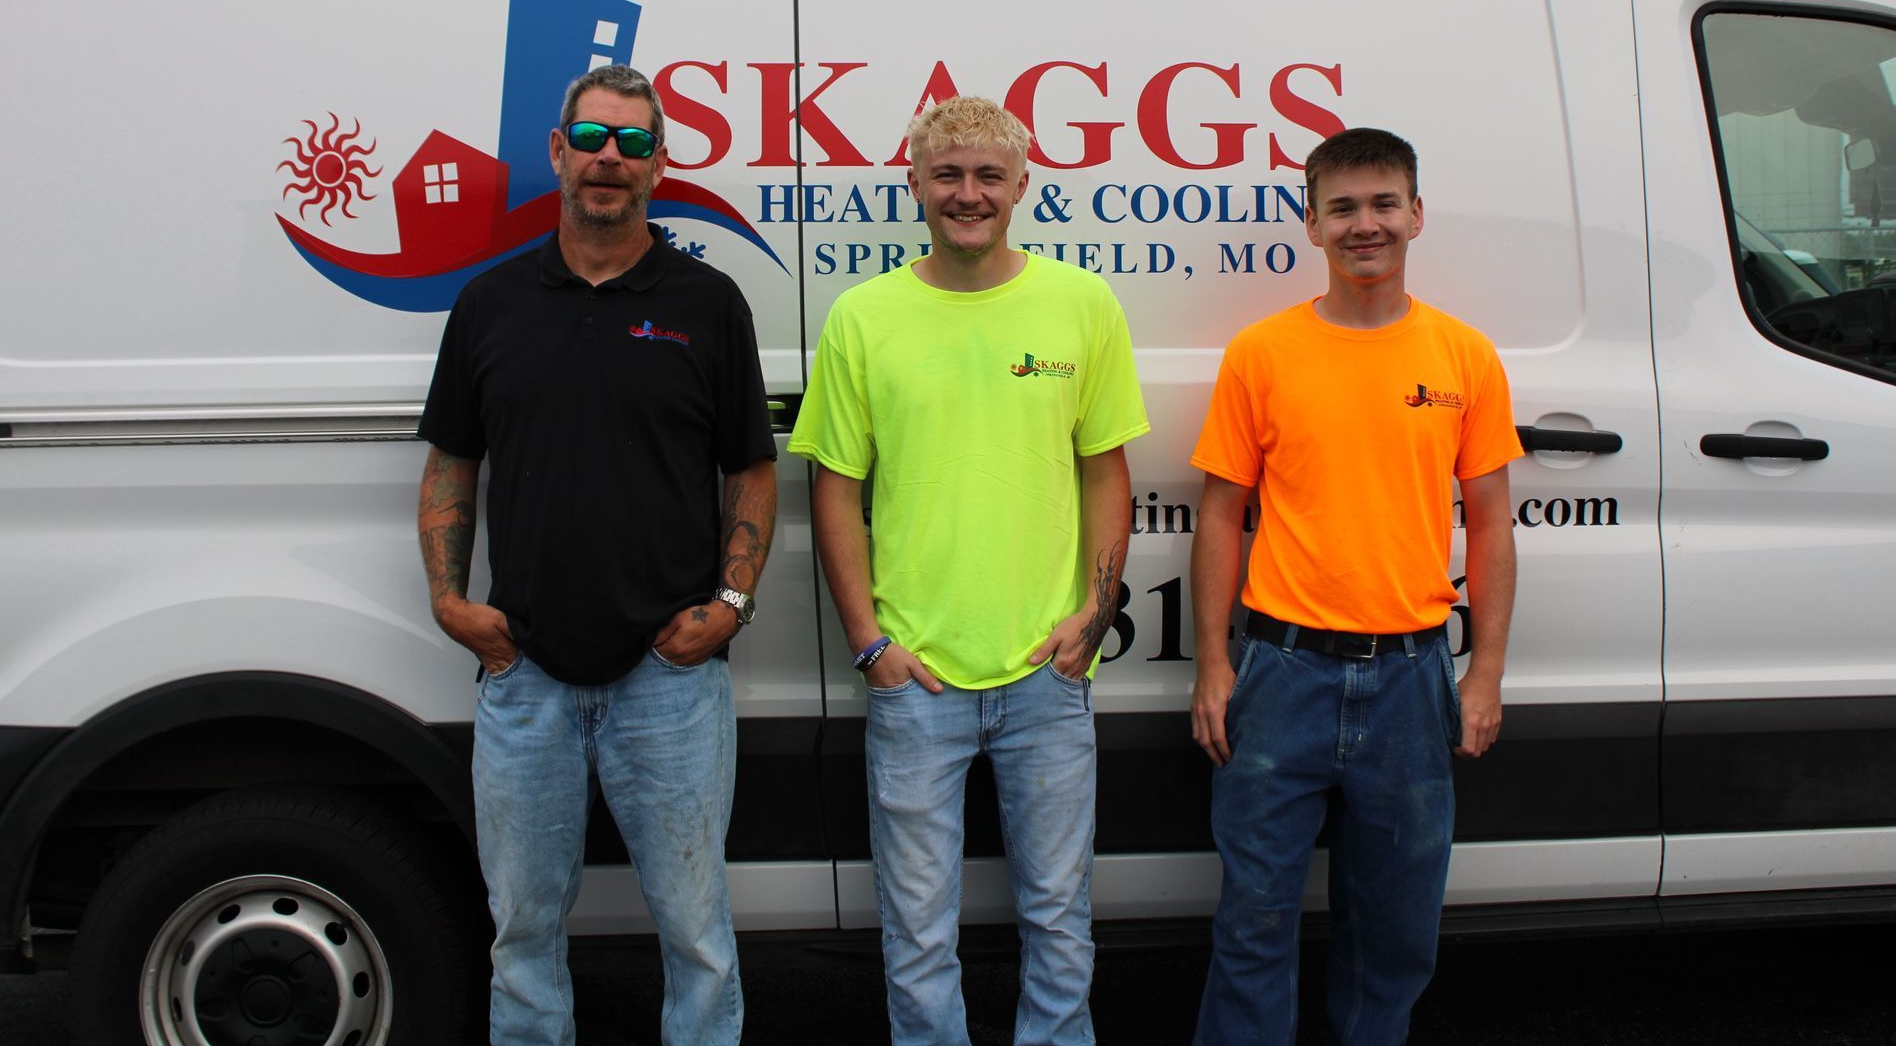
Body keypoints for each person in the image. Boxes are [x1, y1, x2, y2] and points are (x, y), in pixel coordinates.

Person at [415, 62, 776, 1046]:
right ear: (558, 152)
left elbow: (751, 469)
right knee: (522, 931)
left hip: (671, 673)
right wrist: (451, 602)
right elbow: (453, 459)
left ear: (660, 165)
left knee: (696, 934)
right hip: (522, 669)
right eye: (595, 137)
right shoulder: (491, 303)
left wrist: (730, 606)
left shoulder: (707, 302)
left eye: (636, 141)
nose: (612, 158)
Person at [789, 95, 1149, 1045]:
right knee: (915, 932)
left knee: (1060, 921)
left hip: (1047, 671)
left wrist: (1093, 613)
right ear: (913, 186)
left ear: (1022, 186)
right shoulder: (865, 318)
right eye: (947, 175)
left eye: (990, 175)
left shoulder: (1081, 305)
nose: (968, 193)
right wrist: (871, 643)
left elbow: (1106, 470)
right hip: (919, 680)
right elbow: (834, 489)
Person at [1187, 127, 1521, 1046]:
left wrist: (1483, 674)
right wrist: (1213, 664)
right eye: (1342, 207)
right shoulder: (1263, 353)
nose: (1363, 224)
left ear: (1416, 214)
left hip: (1413, 683)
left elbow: (1490, 522)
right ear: (1312, 223)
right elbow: (1222, 515)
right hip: (1280, 673)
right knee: (1253, 922)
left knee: (1395, 931)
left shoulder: (1464, 356)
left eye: (1382, 204)